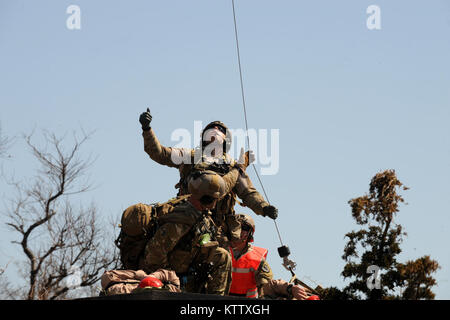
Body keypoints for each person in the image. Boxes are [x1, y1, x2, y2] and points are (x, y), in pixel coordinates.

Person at [138, 108, 278, 247]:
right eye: (211, 128)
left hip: (216, 228)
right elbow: (159, 153)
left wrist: (264, 207)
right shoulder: (190, 157)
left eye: (220, 130)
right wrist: (147, 129)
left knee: (221, 258)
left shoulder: (232, 167)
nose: (215, 129)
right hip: (185, 218)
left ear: (226, 140)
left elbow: (248, 192)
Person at [138, 170, 241, 296]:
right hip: (169, 278)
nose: (215, 204)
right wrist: (172, 280)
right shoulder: (181, 220)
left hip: (188, 271)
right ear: (206, 198)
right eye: (214, 199)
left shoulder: (201, 216)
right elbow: (153, 256)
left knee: (222, 255)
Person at [228, 214, 309, 300]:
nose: (240, 230)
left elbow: (269, 286)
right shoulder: (217, 250)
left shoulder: (257, 259)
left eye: (245, 228)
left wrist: (290, 289)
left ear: (250, 233)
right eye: (236, 226)